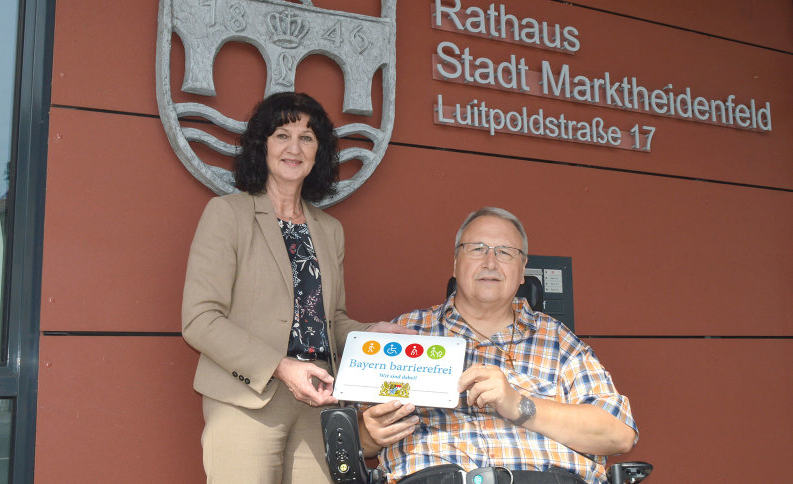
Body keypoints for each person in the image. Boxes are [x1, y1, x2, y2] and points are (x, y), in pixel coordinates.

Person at [181, 92, 409, 483]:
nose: (294, 147)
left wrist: (371, 333)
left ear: (319, 152)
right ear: (261, 146)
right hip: (247, 400)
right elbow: (200, 320)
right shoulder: (227, 215)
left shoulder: (329, 229)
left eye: (307, 138)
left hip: (319, 400)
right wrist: (281, 367)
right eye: (282, 135)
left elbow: (329, 320)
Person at [357, 208, 638, 484]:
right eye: (477, 248)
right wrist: (368, 434)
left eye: (505, 252)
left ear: (521, 271)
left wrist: (518, 404)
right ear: (455, 263)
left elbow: (618, 434)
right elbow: (353, 435)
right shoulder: (407, 334)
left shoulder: (559, 341)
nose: (490, 262)